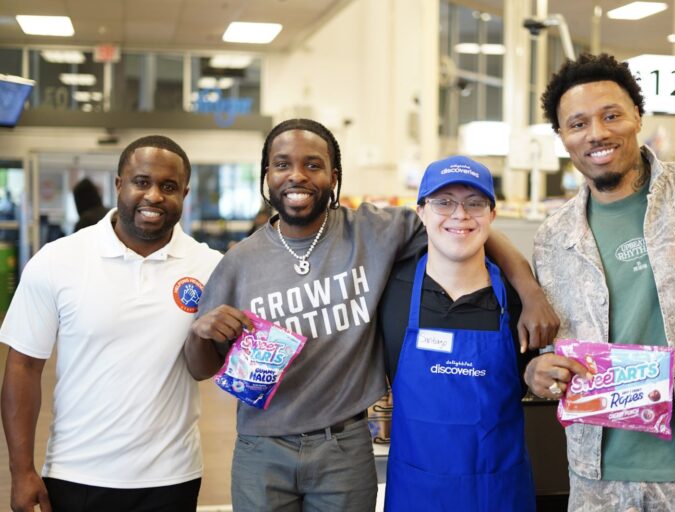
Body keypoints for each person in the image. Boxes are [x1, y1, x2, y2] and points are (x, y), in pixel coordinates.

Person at [183, 118, 559, 511]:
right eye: (282, 164)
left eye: (313, 164)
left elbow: (466, 225)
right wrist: (199, 334)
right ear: (267, 174)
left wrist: (530, 292)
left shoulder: (371, 231)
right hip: (262, 449)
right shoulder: (239, 263)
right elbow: (199, 368)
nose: (297, 175)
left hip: (343, 446)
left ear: (334, 176)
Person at [525, 53, 675, 511]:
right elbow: (552, 349)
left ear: (638, 116)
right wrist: (538, 372)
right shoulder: (553, 237)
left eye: (611, 115)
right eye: (578, 124)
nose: (596, 133)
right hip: (596, 472)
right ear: (562, 137)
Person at [0, 135, 223, 512]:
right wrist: (21, 471)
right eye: (142, 182)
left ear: (184, 193)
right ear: (119, 184)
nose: (154, 195)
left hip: (173, 477)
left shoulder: (210, 267)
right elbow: (23, 366)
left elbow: (209, 366)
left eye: (169, 187)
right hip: (77, 473)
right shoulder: (58, 260)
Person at [378, 156, 543, 511]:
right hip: (416, 492)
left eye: (475, 203)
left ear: (492, 215)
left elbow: (536, 376)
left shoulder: (520, 303)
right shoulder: (390, 293)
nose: (460, 215)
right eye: (444, 202)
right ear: (421, 212)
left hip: (498, 492)